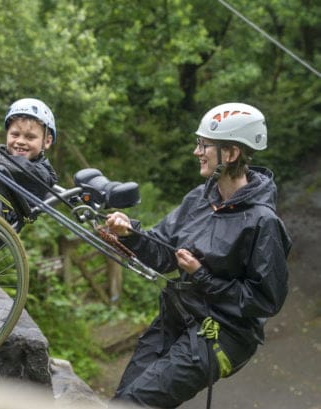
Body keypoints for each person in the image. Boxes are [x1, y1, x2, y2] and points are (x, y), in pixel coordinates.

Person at [105, 102, 291, 408]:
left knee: (136, 401)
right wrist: (130, 234)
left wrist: (200, 275)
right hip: (178, 315)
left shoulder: (263, 222)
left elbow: (265, 301)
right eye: (198, 144)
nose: (197, 152)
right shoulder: (199, 199)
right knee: (123, 398)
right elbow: (163, 253)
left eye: (205, 146)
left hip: (223, 335)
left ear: (230, 155)